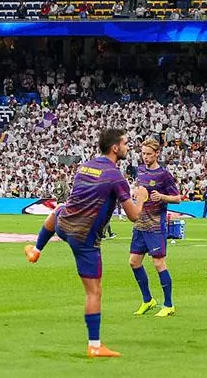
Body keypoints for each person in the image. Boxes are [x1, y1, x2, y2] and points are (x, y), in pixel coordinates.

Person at [24, 128, 147, 358]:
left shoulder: (85, 166)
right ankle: (95, 345)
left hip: (63, 226)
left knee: (58, 210)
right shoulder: (115, 176)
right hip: (85, 239)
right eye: (126, 144)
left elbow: (72, 199)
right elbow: (133, 216)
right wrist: (140, 198)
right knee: (94, 293)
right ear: (115, 148)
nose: (128, 147)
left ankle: (36, 250)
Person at [128, 138, 183, 318]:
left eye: (149, 154)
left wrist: (162, 196)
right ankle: (148, 300)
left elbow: (177, 198)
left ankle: (168, 304)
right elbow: (141, 193)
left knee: (158, 263)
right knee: (134, 262)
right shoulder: (141, 170)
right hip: (140, 224)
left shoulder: (163, 175)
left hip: (155, 226)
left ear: (157, 154)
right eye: (143, 153)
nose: (145, 157)